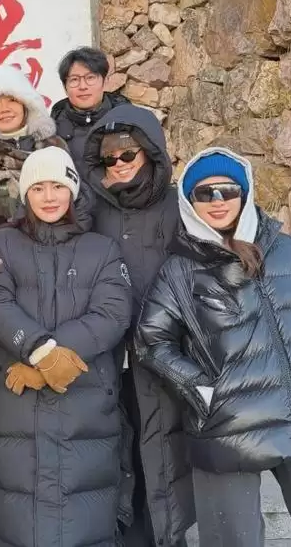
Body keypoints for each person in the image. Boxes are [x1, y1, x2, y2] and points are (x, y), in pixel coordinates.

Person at [136, 147, 291, 547]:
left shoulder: (285, 250)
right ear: (189, 201)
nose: (217, 201)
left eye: (227, 190)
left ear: (244, 194)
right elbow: (150, 339)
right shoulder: (179, 268)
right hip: (226, 428)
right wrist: (202, 389)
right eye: (204, 193)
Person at [0, 146, 133, 546]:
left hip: (85, 402)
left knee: (84, 524)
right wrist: (40, 350)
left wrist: (47, 359)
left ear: (73, 191)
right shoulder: (0, 243)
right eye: (38, 188)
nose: (49, 197)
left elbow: (113, 313)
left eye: (58, 186)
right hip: (15, 406)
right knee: (18, 523)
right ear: (25, 194)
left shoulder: (102, 249)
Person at [81, 105, 188, 546]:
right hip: (108, 352)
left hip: (166, 351)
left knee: (163, 447)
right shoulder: (93, 208)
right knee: (118, 444)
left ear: (149, 152)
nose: (120, 163)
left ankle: (170, 535)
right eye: (109, 158)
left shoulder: (178, 204)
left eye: (129, 154)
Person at [0, 65, 68, 232]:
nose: (5, 109)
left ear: (26, 105)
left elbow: (77, 202)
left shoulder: (54, 147)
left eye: (13, 100)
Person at [51, 47, 129, 171]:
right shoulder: (52, 129)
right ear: (65, 87)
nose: (83, 86)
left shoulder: (129, 120)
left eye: (90, 78)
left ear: (105, 81)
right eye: (74, 80)